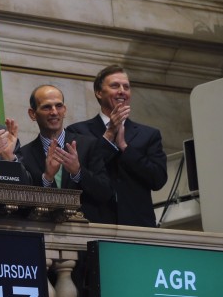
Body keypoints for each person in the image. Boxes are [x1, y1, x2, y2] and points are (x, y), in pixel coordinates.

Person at [66, 65, 167, 227]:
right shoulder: (78, 132)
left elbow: (158, 180)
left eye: (126, 87)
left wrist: (125, 147)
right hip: (94, 223)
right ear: (99, 92)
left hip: (138, 225)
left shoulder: (149, 134)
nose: (122, 91)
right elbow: (80, 174)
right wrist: (109, 135)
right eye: (115, 86)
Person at [17, 85, 115, 223]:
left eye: (59, 106)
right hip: (44, 231)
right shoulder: (24, 155)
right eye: (46, 107)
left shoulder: (89, 145)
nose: (54, 112)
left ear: (65, 110)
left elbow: (105, 193)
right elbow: (23, 204)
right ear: (33, 114)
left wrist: (78, 172)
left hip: (86, 230)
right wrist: (47, 178)